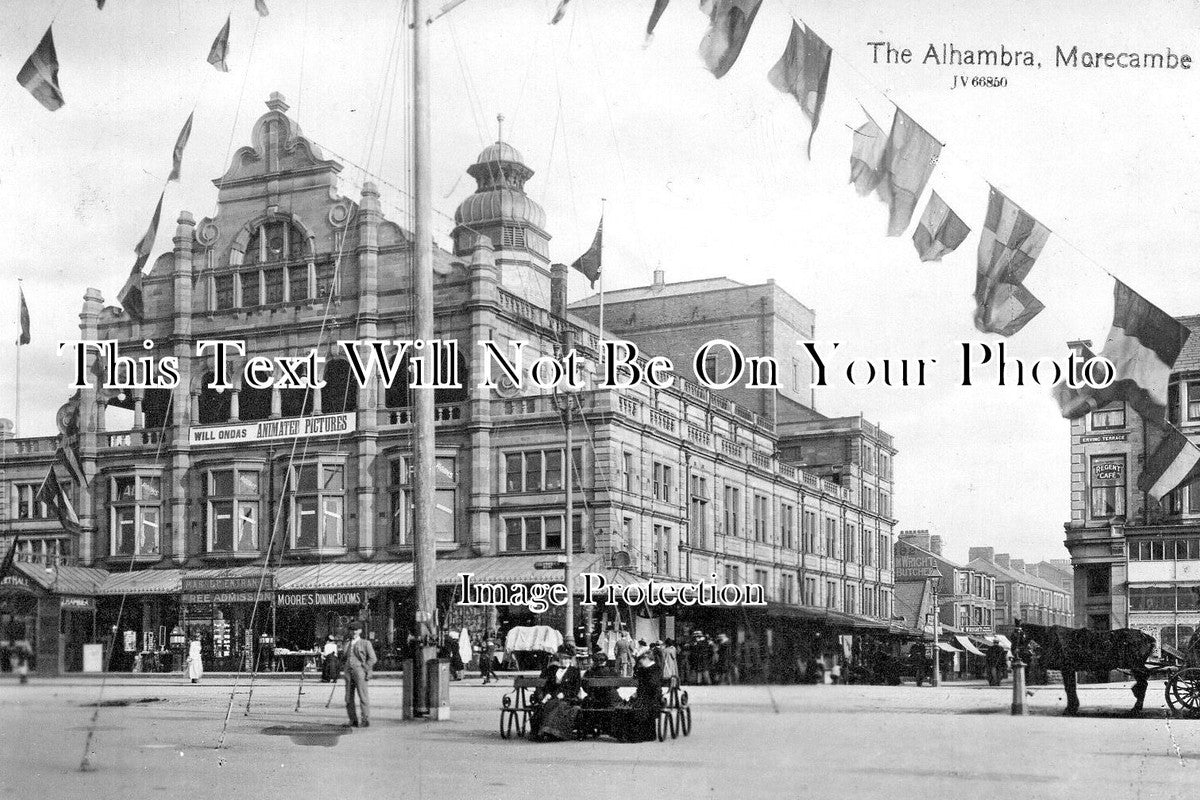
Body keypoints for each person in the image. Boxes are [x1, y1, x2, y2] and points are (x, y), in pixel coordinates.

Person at [530, 644, 582, 741]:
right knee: (548, 705)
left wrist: (565, 694)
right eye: (561, 658)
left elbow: (575, 689)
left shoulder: (574, 671)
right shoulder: (553, 670)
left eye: (566, 659)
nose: (563, 661)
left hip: (568, 699)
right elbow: (548, 685)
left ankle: (551, 731)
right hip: (553, 697)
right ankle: (544, 731)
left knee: (560, 706)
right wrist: (547, 694)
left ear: (570, 660)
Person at [616, 649, 663, 742]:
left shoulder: (655, 668)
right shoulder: (643, 669)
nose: (639, 663)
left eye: (640, 661)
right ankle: (630, 734)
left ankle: (641, 735)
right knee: (627, 707)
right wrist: (638, 668)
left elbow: (652, 685)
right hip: (642, 695)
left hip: (652, 696)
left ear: (646, 659)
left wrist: (639, 693)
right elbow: (636, 677)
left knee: (638, 708)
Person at [342, 621, 377, 728]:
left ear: (360, 631)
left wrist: (365, 668)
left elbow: (373, 658)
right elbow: (344, 657)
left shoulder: (366, 643)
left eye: (356, 630)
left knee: (363, 696)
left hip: (360, 671)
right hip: (348, 671)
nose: (353, 632)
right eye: (352, 630)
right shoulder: (347, 643)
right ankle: (353, 720)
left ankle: (365, 720)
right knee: (348, 697)